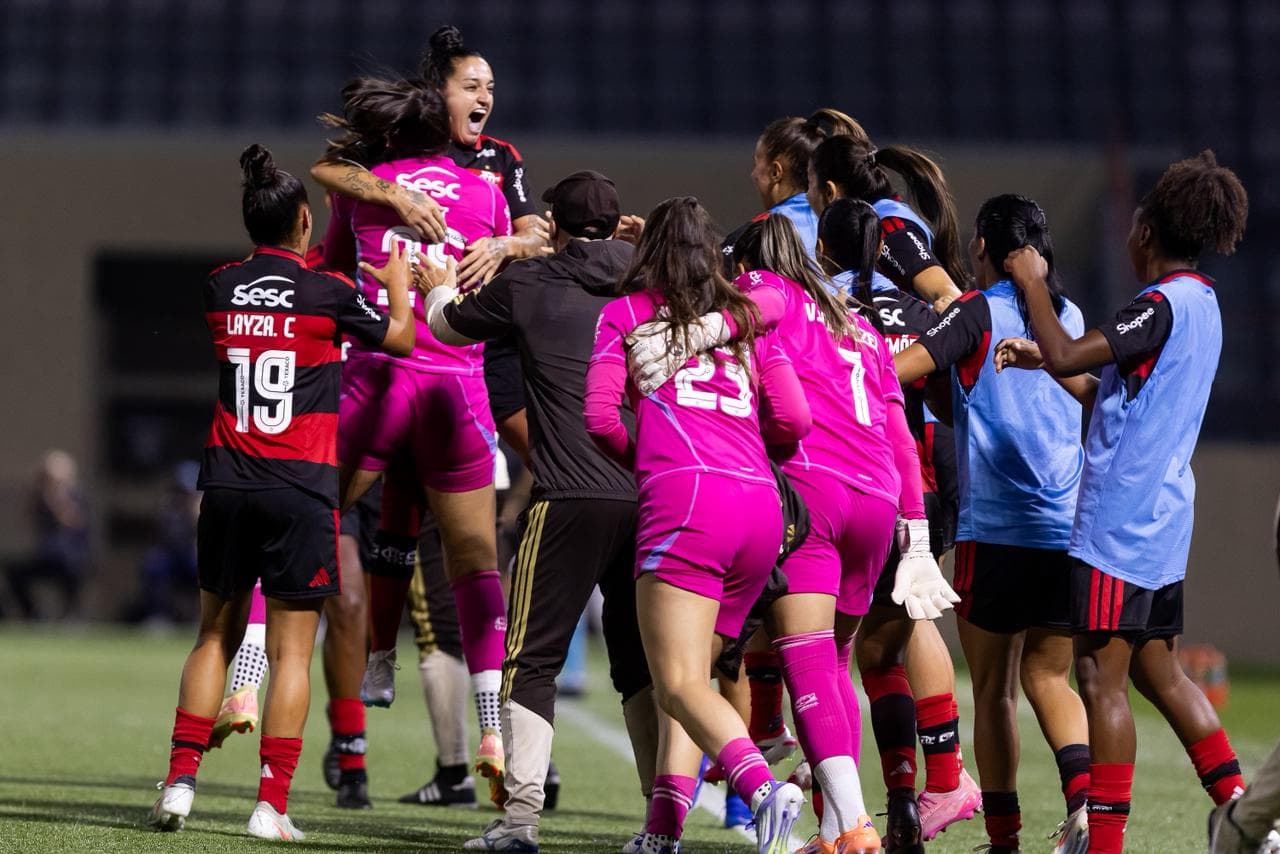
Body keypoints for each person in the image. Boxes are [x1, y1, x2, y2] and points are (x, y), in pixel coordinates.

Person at [148, 143, 414, 840]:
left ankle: (179, 784)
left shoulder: (219, 285)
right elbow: (403, 341)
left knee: (213, 634)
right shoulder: (328, 293)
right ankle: (271, 805)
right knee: (293, 653)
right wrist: (396, 285)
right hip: (301, 487)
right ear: (304, 222)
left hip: (227, 483)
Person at [993, 150, 1249, 854]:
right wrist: (1043, 356)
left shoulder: (1158, 305)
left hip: (1120, 521)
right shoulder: (1206, 303)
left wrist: (1031, 282)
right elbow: (1114, 392)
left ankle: (1103, 846)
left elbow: (1073, 353)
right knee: (1157, 668)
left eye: (1136, 225)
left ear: (1151, 232)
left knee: (1098, 679)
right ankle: (1248, 812)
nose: (1129, 236)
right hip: (1166, 515)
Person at [419, 170, 656, 853]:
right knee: (642, 665)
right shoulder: (648, 281)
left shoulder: (530, 284)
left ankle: (520, 820)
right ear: (617, 227)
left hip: (570, 495)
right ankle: (657, 819)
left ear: (552, 225)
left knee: (530, 661)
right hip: (649, 493)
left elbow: (445, 326)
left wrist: (438, 277)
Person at [585, 196, 810, 854]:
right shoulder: (744, 313)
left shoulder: (625, 312)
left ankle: (764, 789)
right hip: (759, 507)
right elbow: (793, 420)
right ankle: (662, 834)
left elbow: (599, 418)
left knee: (676, 682)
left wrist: (653, 464)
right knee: (692, 681)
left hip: (686, 502)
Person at [729, 213, 957, 854]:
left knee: (804, 659)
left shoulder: (769, 302)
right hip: (879, 501)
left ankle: (855, 829)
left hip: (815, 492)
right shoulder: (857, 325)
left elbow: (771, 407)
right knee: (833, 664)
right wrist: (913, 536)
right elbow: (902, 442)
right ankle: (833, 832)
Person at [317, 76, 513, 800]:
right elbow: (499, 264)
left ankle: (272, 670)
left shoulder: (363, 189)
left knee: (313, 515)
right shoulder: (488, 193)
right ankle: (491, 723)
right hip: (459, 391)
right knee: (474, 567)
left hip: (376, 381)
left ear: (390, 135)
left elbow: (337, 274)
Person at [896, 194, 1091, 854]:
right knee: (1049, 678)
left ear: (984, 248)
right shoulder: (1068, 314)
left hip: (997, 531)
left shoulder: (977, 312)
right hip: (1066, 528)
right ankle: (1085, 802)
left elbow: (906, 366)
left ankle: (1005, 842)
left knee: (994, 693)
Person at [808, 198, 976, 849]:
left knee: (834, 654)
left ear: (822, 250)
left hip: (847, 489)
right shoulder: (926, 315)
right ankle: (910, 796)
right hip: (925, 492)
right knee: (888, 649)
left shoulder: (824, 316)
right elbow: (949, 399)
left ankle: (842, 812)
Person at [808, 134, 965, 311]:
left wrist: (924, 337)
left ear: (830, 192)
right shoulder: (869, 222)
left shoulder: (890, 229)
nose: (807, 195)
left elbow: (950, 297)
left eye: (809, 184)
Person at [6, 450, 91, 620]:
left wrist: (56, 499)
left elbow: (72, 522)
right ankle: (32, 615)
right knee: (14, 571)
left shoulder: (77, 495)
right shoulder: (40, 497)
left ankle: (72, 615)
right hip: (48, 556)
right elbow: (27, 521)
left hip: (72, 556)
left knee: (72, 569)